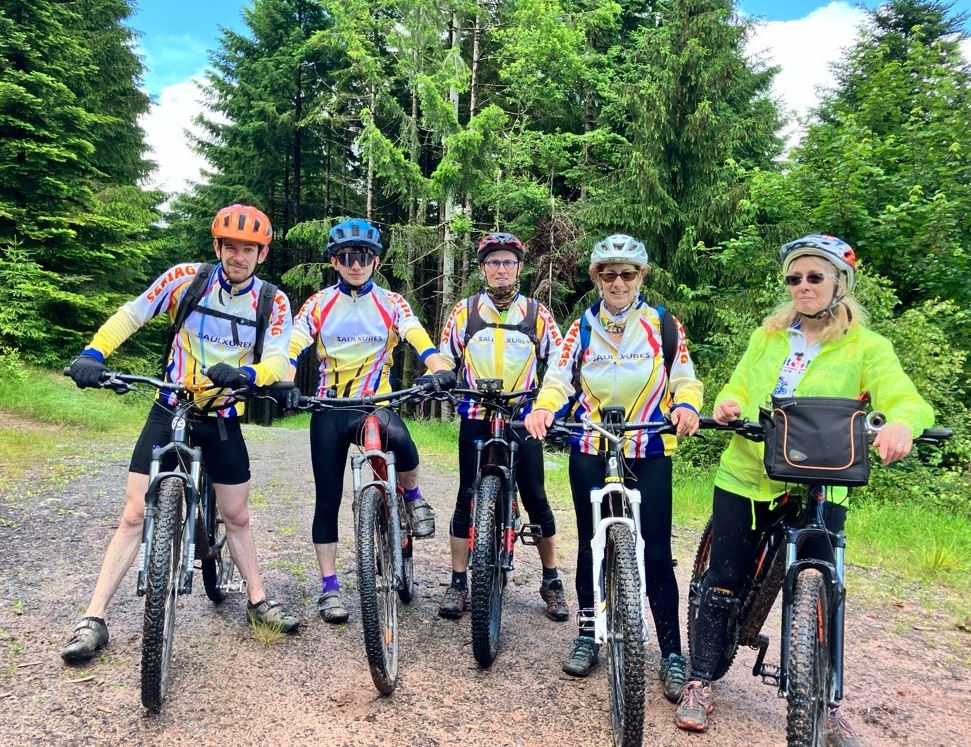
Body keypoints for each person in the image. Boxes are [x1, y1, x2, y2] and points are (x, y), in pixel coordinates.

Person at [674, 234, 934, 745]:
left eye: (815, 277)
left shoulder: (867, 347)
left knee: (827, 588)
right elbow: (738, 385)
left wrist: (902, 424)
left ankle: (825, 701)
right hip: (748, 475)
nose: (803, 286)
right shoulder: (768, 336)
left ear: (840, 283)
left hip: (823, 483)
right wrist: (728, 403)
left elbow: (905, 399)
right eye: (794, 278)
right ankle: (700, 680)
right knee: (724, 578)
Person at [61, 204, 300, 663]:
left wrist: (247, 374)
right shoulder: (186, 279)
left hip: (222, 412)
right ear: (217, 246)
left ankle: (257, 601)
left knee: (237, 515)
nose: (238, 256)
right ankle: (93, 619)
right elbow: (133, 313)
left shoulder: (273, 301)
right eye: (230, 247)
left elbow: (276, 358)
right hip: (170, 404)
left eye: (249, 249)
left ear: (262, 254)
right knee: (134, 513)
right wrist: (94, 353)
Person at [524, 234, 702, 698]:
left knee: (657, 552)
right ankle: (588, 634)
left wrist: (687, 405)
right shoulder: (582, 327)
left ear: (640, 277)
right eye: (608, 274)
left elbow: (685, 377)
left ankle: (671, 653)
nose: (617, 282)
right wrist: (544, 408)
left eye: (627, 273)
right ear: (596, 279)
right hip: (592, 444)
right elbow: (558, 379)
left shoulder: (663, 324)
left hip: (649, 444)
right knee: (592, 544)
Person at [288, 218, 455, 624]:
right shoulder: (318, 303)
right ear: (334, 262)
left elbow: (417, 337)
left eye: (363, 256)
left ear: (376, 260)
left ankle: (413, 497)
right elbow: (293, 343)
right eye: (346, 257)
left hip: (375, 403)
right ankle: (330, 588)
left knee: (404, 444)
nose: (355, 264)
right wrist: (284, 379)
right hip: (329, 406)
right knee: (327, 498)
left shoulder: (392, 302)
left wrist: (438, 368)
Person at [436, 232, 567, 621]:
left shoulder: (536, 313)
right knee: (466, 495)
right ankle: (458, 582)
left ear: (519, 267)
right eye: (493, 262)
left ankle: (551, 580)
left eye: (508, 262)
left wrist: (549, 403)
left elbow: (559, 361)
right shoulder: (465, 311)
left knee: (535, 495)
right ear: (482, 269)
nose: (501, 268)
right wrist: (442, 378)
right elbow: (445, 358)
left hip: (521, 417)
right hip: (476, 414)